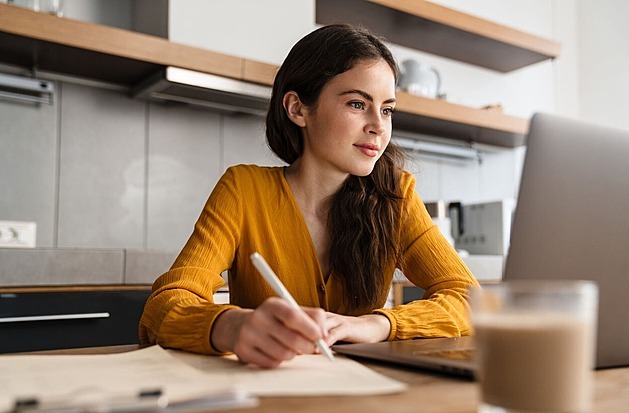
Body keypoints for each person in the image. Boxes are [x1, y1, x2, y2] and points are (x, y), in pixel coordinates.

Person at [139, 24, 479, 368]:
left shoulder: (395, 196)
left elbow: (470, 300)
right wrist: (230, 326)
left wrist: (377, 324)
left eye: (387, 109)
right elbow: (163, 306)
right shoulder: (243, 189)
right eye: (358, 103)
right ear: (298, 109)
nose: (378, 125)